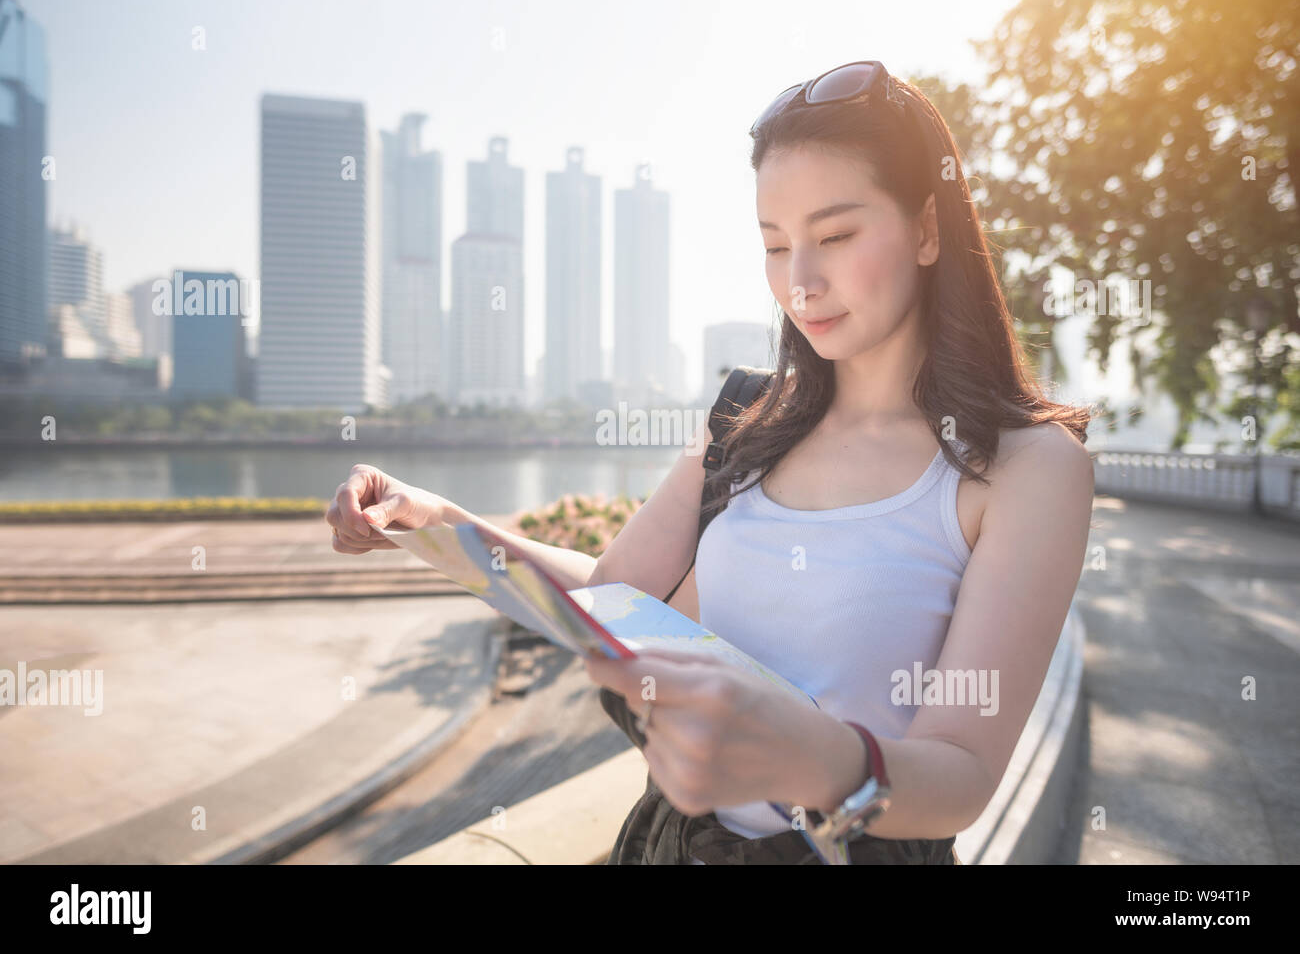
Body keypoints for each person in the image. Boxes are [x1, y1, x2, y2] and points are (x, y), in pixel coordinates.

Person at [325, 59, 1096, 865]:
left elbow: (964, 772)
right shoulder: (747, 420)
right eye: (775, 244)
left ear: (930, 229)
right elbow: (607, 599)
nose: (801, 282)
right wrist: (430, 519)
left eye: (835, 236)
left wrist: (816, 756)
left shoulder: (1024, 466)